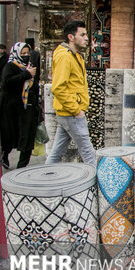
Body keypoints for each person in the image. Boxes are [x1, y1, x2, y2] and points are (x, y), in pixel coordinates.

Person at [45, 21, 95, 166]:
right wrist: (76, 110)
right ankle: (97, 187)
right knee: (88, 152)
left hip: (69, 112)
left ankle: (44, 178)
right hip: (71, 113)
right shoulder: (65, 56)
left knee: (57, 152)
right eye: (83, 34)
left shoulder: (75, 56)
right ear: (71, 37)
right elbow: (58, 87)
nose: (86, 38)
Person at [0, 42, 39, 169]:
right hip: (11, 109)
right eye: (23, 53)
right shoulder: (10, 66)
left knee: (27, 137)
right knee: (10, 136)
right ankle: (4, 156)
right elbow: (6, 83)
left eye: (28, 53)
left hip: (27, 108)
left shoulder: (30, 67)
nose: (26, 55)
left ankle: (21, 167)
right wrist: (26, 74)